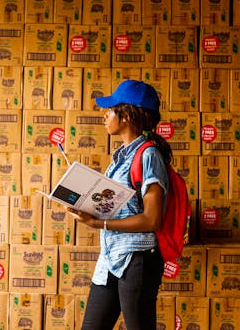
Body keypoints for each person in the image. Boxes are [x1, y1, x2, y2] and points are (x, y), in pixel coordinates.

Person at [67, 79, 173, 330]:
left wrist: (98, 222)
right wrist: (84, 206)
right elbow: (117, 206)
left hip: (137, 260)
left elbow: (152, 219)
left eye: (110, 109)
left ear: (126, 115)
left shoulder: (149, 156)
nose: (105, 115)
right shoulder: (118, 160)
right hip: (110, 258)